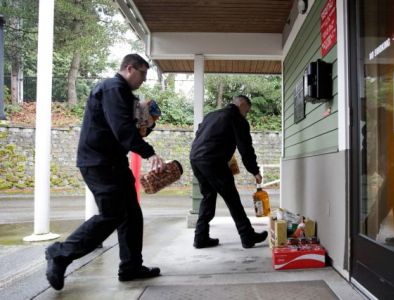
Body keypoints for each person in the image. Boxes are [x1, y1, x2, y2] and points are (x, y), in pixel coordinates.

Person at [44, 54, 165, 290]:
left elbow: (129, 131)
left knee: (131, 214)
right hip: (99, 162)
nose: (144, 79)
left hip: (112, 161)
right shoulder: (112, 88)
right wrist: (149, 153)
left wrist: (148, 123)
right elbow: (121, 130)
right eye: (142, 73)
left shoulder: (124, 94)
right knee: (112, 214)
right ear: (129, 68)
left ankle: (130, 266)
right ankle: (60, 254)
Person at [190, 95, 268, 249]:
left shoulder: (212, 115)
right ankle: (248, 236)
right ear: (243, 104)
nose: (247, 114)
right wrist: (255, 171)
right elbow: (245, 148)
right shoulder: (237, 118)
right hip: (213, 161)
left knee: (208, 197)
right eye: (247, 110)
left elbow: (201, 135)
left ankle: (201, 237)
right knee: (232, 198)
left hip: (196, 158)